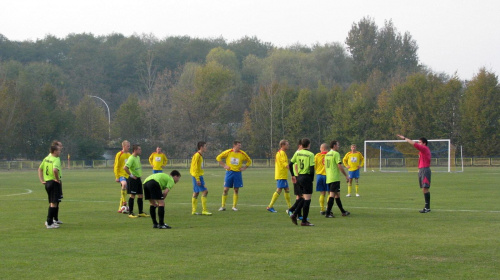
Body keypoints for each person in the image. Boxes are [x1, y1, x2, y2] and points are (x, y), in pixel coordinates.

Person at [397, 135, 432, 213]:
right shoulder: (422, 151)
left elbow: (413, 144)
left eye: (420, 142)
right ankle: (427, 207)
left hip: (425, 170)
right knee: (424, 188)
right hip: (422, 170)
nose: (418, 143)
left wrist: (404, 138)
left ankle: (427, 208)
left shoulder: (424, 149)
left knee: (425, 188)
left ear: (424, 143)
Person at [216, 140, 252, 211]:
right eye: (239, 145)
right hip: (229, 173)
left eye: (240, 145)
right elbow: (218, 158)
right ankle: (223, 206)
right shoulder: (228, 152)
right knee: (225, 189)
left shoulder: (242, 153)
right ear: (234, 146)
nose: (240, 146)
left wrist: (244, 168)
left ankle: (234, 206)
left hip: (237, 173)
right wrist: (224, 165)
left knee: (236, 190)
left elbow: (249, 161)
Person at [289, 138, 315, 226]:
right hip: (306, 177)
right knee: (307, 199)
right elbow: (312, 169)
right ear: (308, 145)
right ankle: (304, 221)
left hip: (299, 177)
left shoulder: (297, 153)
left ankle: (294, 213)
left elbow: (290, 164)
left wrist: (293, 175)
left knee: (302, 198)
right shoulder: (311, 154)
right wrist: (311, 179)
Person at [38, 143, 63, 229]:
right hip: (53, 182)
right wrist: (57, 179)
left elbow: (40, 169)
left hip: (47, 182)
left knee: (53, 202)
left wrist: (41, 180)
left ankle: (51, 221)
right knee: (53, 203)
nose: (60, 151)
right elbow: (55, 170)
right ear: (55, 151)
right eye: (59, 150)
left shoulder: (46, 158)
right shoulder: (55, 159)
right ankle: (49, 222)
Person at [324, 140, 350, 218]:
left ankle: (343, 211)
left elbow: (325, 166)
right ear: (334, 146)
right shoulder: (336, 154)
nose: (339, 146)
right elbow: (339, 166)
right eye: (338, 145)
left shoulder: (327, 154)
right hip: (334, 177)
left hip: (329, 177)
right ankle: (328, 213)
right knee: (332, 195)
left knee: (337, 195)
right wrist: (346, 175)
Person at [124, 144, 149, 218]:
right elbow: (125, 168)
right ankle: (130, 213)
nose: (140, 151)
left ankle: (140, 212)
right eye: (139, 149)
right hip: (132, 180)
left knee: (140, 195)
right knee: (132, 195)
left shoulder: (137, 157)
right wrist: (131, 175)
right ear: (135, 150)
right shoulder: (131, 158)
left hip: (138, 179)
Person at [266, 140, 292, 213]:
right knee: (279, 189)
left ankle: (290, 207)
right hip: (281, 175)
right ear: (282, 145)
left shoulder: (279, 153)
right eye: (287, 144)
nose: (288, 146)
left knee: (286, 189)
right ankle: (270, 206)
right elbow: (284, 163)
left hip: (281, 174)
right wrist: (292, 170)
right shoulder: (282, 153)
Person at [190, 141, 212, 216]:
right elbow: (195, 168)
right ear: (201, 147)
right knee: (205, 191)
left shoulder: (199, 155)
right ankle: (204, 210)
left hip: (197, 175)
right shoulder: (197, 156)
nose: (206, 148)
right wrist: (197, 179)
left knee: (196, 192)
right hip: (197, 176)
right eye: (205, 146)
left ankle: (194, 211)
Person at [286, 139, 303, 218]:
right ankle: (293, 211)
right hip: (298, 177)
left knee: (299, 196)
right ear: (299, 146)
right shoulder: (298, 153)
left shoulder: (299, 153)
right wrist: (296, 175)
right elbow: (295, 165)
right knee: (302, 196)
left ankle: (298, 214)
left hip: (297, 177)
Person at [114, 140, 131, 213]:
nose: (129, 147)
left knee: (126, 191)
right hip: (121, 174)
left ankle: (120, 207)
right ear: (123, 146)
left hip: (128, 175)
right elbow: (116, 166)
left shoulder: (130, 155)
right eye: (128, 146)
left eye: (129, 146)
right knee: (124, 184)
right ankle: (124, 201)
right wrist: (117, 176)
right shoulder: (119, 154)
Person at [314, 143, 329, 215]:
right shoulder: (329, 155)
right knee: (330, 193)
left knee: (322, 193)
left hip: (319, 176)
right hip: (327, 175)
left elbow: (314, 166)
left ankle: (322, 209)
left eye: (320, 148)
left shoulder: (317, 155)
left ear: (323, 148)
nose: (320, 149)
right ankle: (328, 208)